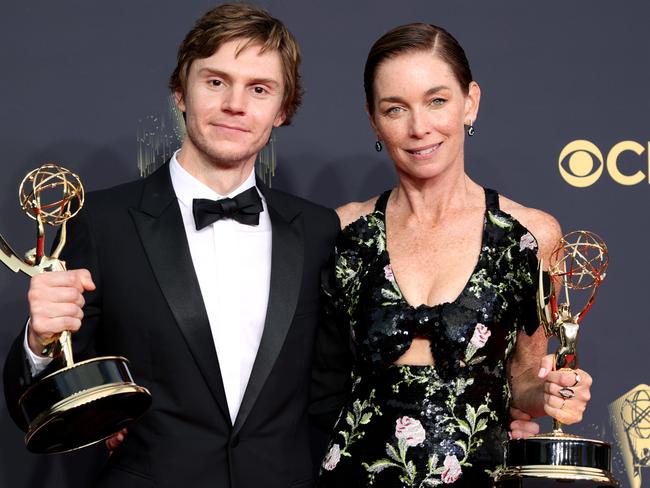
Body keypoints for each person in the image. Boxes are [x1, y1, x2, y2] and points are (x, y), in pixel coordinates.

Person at [3, 4, 339, 487]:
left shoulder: (318, 230)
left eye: (259, 89)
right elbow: (39, 410)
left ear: (283, 110)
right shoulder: (102, 222)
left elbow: (332, 393)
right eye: (216, 81)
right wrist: (39, 342)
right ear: (181, 91)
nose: (235, 104)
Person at [312, 23, 593, 487]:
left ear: (470, 102)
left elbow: (522, 378)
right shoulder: (344, 231)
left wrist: (550, 392)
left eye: (436, 100)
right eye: (395, 108)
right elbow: (309, 381)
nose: (419, 127)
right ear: (373, 119)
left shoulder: (530, 235)